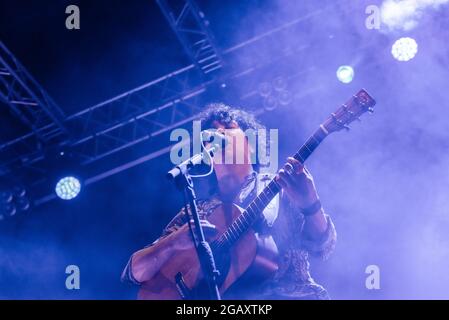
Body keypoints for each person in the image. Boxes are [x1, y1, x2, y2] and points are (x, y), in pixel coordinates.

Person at [121, 103, 337, 299]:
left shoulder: (281, 186)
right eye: (209, 135)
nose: (217, 135)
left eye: (228, 129)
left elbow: (322, 248)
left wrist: (311, 205)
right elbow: (135, 273)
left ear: (251, 145)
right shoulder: (197, 212)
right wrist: (173, 242)